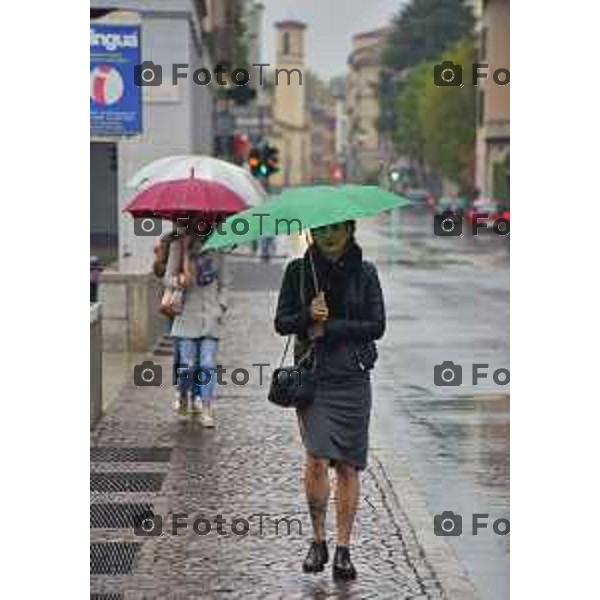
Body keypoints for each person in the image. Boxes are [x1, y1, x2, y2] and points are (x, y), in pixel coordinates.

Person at [274, 220, 386, 580]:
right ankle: (317, 539)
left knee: (349, 465)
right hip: (314, 377)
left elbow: (377, 325)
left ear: (350, 230)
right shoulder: (298, 271)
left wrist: (332, 324)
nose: (330, 235)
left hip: (352, 378)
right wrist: (308, 315)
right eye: (322, 229)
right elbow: (281, 322)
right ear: (312, 233)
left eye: (337, 228)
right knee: (318, 457)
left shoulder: (365, 272)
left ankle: (343, 549)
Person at [163, 227, 229, 427]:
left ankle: (207, 408)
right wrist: (179, 280)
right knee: (187, 365)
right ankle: (184, 396)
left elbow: (225, 283)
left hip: (210, 316)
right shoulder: (179, 247)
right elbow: (167, 277)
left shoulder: (217, 248)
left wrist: (221, 306)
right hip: (186, 315)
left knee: (208, 364)